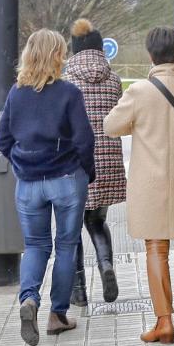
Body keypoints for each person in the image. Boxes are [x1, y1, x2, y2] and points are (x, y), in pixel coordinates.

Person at [104, 26, 174, 345]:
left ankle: (163, 320)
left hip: (149, 181)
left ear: (150, 53)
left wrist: (141, 126)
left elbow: (111, 126)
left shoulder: (139, 91)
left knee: (156, 246)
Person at [0, 29, 95, 346]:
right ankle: (58, 316)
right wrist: (87, 172)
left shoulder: (17, 93)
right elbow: (84, 140)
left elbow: (3, 140)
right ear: (57, 55)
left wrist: (23, 165)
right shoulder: (68, 93)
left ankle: (29, 300)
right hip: (66, 179)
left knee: (36, 246)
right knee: (66, 245)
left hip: (29, 184)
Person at [63, 19, 125, 306]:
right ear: (101, 49)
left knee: (72, 228)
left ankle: (78, 290)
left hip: (76, 162)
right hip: (109, 159)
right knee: (97, 221)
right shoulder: (114, 79)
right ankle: (107, 266)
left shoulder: (66, 80)